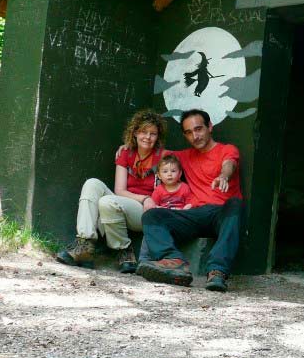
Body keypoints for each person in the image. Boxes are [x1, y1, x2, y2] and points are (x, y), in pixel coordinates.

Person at [137, 108, 243, 292]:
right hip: (195, 213)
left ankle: (217, 271)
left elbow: (229, 164)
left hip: (222, 212)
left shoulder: (227, 149)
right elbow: (149, 151)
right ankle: (174, 262)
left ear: (210, 127)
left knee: (236, 204)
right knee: (152, 215)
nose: (195, 136)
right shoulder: (183, 157)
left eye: (198, 129)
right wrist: (128, 146)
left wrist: (224, 176)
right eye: (188, 132)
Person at [56, 109, 167, 273]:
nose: (148, 137)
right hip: (128, 202)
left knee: (107, 202)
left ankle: (125, 251)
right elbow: (119, 190)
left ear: (158, 137)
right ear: (135, 132)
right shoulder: (125, 153)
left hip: (146, 211)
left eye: (153, 133)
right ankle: (85, 244)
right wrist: (143, 197)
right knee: (92, 183)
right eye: (143, 132)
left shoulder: (164, 156)